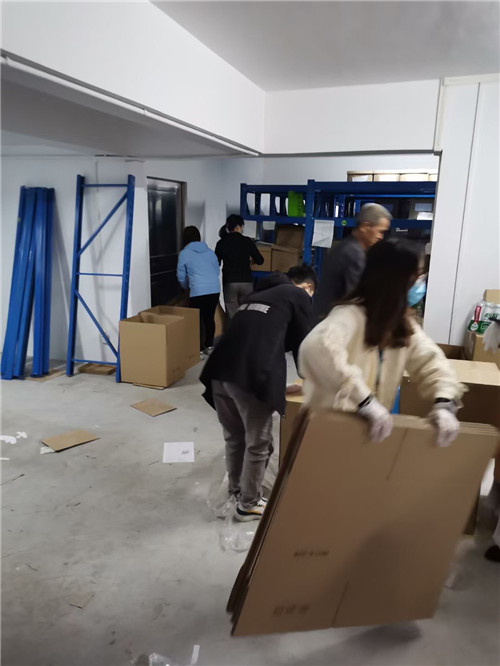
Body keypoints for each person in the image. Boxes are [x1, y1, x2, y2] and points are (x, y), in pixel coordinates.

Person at [299, 239, 463, 448]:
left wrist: (444, 402)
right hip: (331, 430)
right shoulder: (349, 316)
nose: (420, 284)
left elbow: (432, 362)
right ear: (396, 280)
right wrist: (364, 400)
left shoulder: (399, 323)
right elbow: (315, 348)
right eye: (416, 275)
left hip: (367, 432)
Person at [200, 265, 317, 521]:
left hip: (218, 371)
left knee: (235, 439)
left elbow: (260, 339)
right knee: (259, 443)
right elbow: (304, 346)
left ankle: (236, 493)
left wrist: (277, 388)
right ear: (308, 287)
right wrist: (312, 381)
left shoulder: (256, 297)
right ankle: (249, 504)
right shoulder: (297, 295)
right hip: (249, 376)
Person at [313, 203, 392, 323]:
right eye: (380, 231)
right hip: (335, 323)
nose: (381, 237)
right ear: (365, 226)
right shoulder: (353, 253)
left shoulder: (347, 247)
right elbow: (359, 297)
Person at [177, 226, 220, 355]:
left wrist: (186, 286)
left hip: (198, 290)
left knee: (197, 320)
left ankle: (199, 350)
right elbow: (216, 271)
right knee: (209, 318)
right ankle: (209, 346)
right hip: (214, 289)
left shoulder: (184, 253)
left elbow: (180, 275)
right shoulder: (210, 252)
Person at [215, 214, 264, 318]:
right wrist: (250, 261)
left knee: (232, 313)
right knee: (246, 312)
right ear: (238, 226)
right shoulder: (247, 241)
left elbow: (216, 263)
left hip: (229, 282)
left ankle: (234, 328)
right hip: (246, 281)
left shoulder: (221, 243)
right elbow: (260, 260)